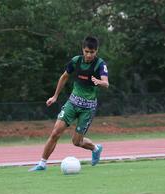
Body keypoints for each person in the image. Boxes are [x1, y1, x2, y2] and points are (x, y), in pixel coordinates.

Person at [29, 36, 109, 171]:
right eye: (86, 51)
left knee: (76, 142)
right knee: (55, 133)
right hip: (72, 104)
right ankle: (42, 164)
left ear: (96, 51)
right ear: (82, 50)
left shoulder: (100, 64)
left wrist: (100, 82)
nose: (89, 55)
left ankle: (95, 148)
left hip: (87, 109)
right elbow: (64, 77)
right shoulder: (76, 61)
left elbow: (106, 83)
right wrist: (55, 96)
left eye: (92, 52)